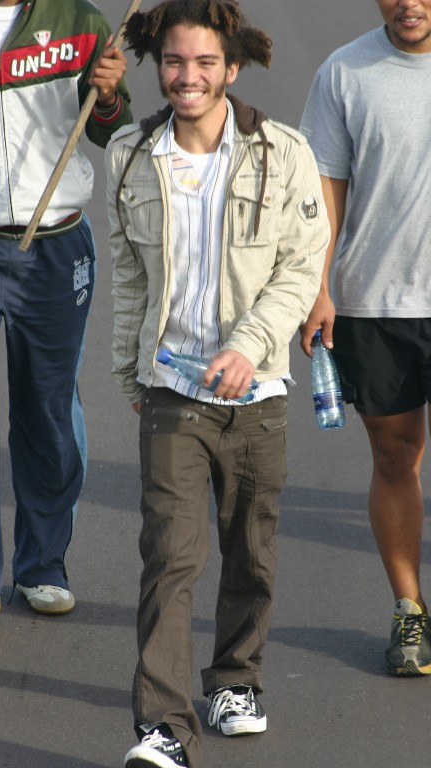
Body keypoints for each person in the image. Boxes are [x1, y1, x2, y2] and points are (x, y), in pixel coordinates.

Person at [105, 1, 330, 766]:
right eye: (174, 61)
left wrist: (248, 347)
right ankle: (163, 729)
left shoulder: (282, 153)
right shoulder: (132, 156)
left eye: (205, 62)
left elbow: (300, 269)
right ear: (158, 65)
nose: (188, 77)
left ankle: (235, 678)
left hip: (256, 394)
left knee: (251, 552)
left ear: (232, 67)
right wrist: (128, 370)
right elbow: (129, 276)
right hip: (172, 391)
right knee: (169, 558)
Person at [0, 0, 132, 645]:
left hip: (57, 243)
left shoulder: (79, 20)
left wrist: (108, 96)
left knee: (47, 406)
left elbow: (112, 130)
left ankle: (43, 564)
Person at [299, 0, 431, 676]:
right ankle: (410, 610)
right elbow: (325, 185)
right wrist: (316, 286)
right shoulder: (345, 72)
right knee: (394, 456)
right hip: (376, 301)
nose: (409, 3)